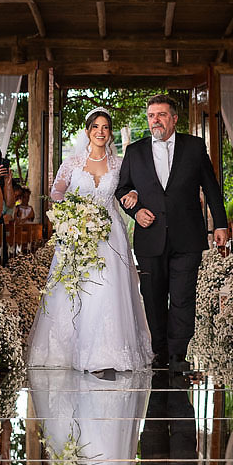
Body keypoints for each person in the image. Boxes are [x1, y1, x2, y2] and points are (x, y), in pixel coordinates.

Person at [30, 109, 154, 372]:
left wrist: (132, 192)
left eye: (106, 127)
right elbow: (56, 191)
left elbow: (131, 187)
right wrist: (73, 212)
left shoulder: (120, 164)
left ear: (110, 133)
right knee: (79, 286)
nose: (100, 131)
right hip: (78, 231)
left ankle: (109, 350)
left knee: (109, 285)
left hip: (111, 232)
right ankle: (73, 349)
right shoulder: (72, 162)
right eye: (96, 127)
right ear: (87, 131)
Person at [116, 95, 228, 373]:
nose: (156, 120)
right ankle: (160, 351)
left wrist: (222, 224)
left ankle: (179, 353)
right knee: (153, 297)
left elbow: (211, 187)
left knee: (183, 296)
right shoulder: (135, 151)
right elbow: (122, 190)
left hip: (187, 236)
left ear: (174, 119)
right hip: (149, 236)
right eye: (151, 115)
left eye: (162, 115)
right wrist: (136, 211)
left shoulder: (194, 147)